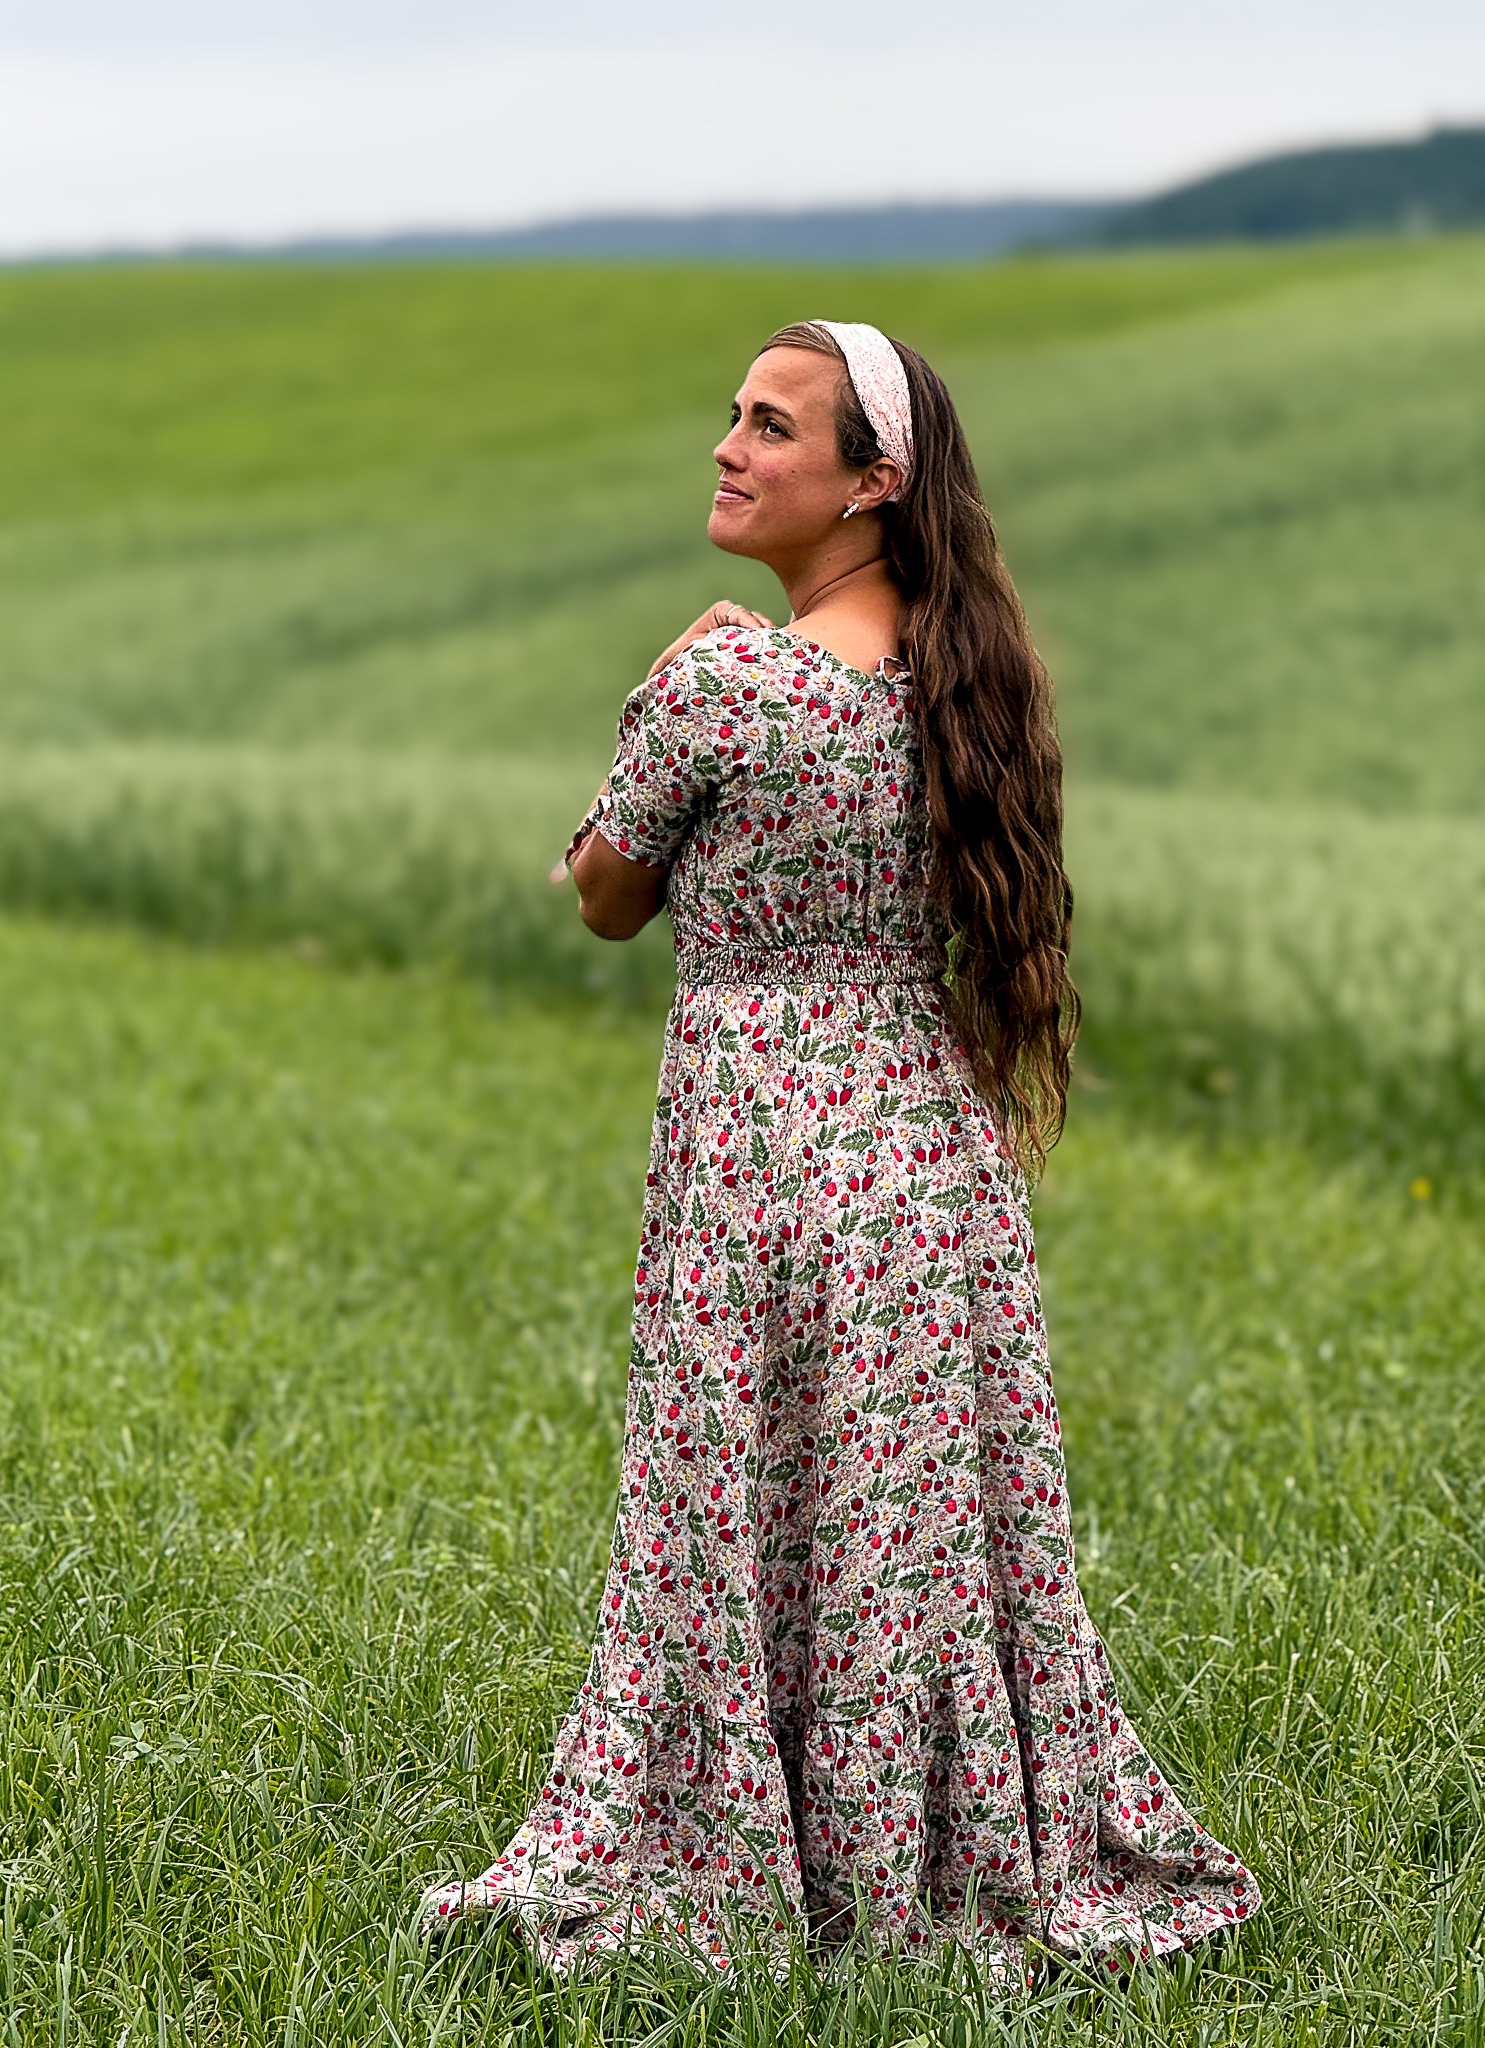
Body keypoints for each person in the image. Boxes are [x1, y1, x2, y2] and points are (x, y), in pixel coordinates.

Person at [420, 320, 1260, 1983]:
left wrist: (661, 688)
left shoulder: (723, 678)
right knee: (918, 1534)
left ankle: (745, 1854)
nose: (729, 445)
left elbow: (603, 894)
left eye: (773, 426)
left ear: (871, 482)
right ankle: (932, 1863)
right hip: (931, 1168)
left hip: (758, 1157)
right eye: (730, 414)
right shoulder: (976, 689)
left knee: (738, 1503)